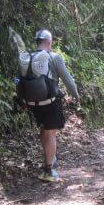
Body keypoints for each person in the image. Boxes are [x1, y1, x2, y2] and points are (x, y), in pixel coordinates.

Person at [21, 29, 79, 182]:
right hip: (50, 102)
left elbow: (20, 81)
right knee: (50, 133)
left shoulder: (28, 58)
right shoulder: (54, 58)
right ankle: (49, 170)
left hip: (32, 104)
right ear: (48, 41)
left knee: (44, 130)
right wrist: (76, 96)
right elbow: (68, 79)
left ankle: (47, 160)